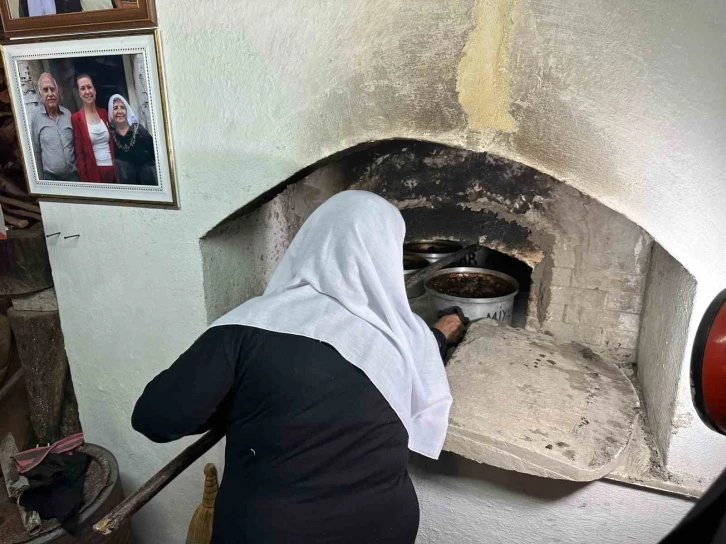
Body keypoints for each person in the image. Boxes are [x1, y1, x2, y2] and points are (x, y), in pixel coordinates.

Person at [132, 191, 465, 543]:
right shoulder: (405, 334)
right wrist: (445, 330)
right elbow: (428, 348)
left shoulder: (248, 326)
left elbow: (156, 418)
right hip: (384, 528)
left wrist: (234, 397)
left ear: (309, 241)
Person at [30, 73, 80, 182]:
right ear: (40, 94)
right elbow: (36, 152)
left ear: (57, 91)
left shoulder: (68, 115)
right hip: (51, 179)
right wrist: (40, 181)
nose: (50, 94)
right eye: (45, 90)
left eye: (52, 89)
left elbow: (76, 146)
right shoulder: (36, 118)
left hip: (73, 177)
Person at [71, 74, 116, 183]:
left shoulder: (104, 113)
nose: (87, 91)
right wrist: (85, 181)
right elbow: (79, 153)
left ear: (94, 90)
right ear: (79, 94)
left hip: (113, 171)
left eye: (89, 87)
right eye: (83, 88)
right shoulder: (76, 118)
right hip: (94, 174)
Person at [107, 94, 157, 185]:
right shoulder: (110, 135)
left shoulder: (138, 130)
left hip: (146, 182)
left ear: (127, 111)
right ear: (111, 112)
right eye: (115, 108)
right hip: (125, 185)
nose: (119, 111)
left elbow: (155, 152)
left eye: (122, 107)